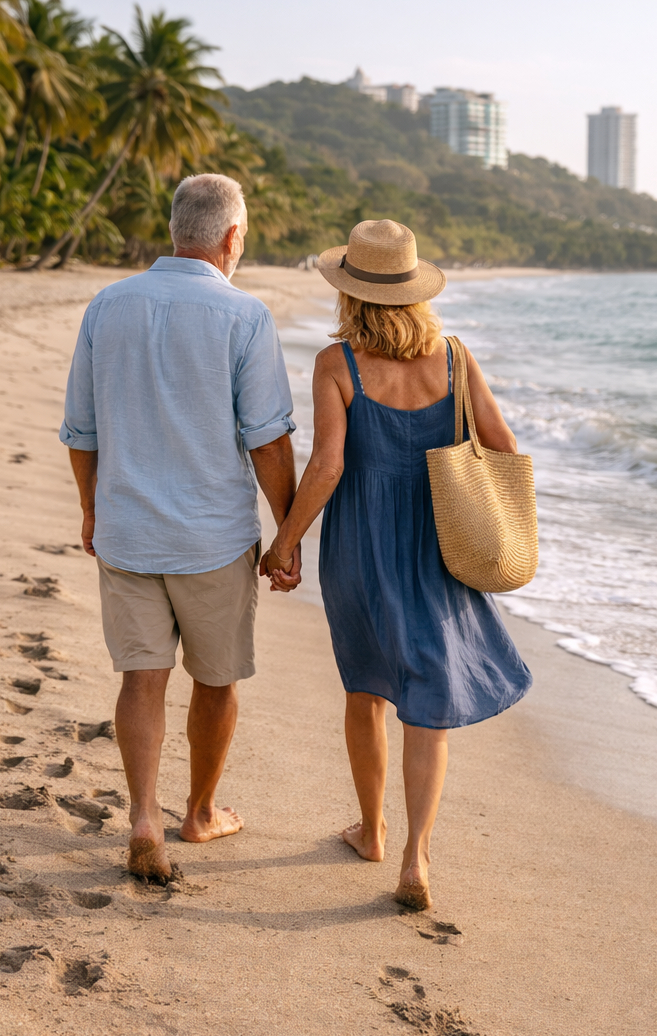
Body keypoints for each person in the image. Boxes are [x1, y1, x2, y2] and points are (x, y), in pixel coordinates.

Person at [262, 219, 532, 910]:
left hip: (361, 547)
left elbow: (326, 467)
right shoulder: (455, 358)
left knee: (366, 690)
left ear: (351, 293)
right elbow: (500, 444)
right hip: (441, 544)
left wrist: (286, 541)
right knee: (427, 704)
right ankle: (416, 857)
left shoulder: (338, 364)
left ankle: (373, 828)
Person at [60, 173, 300, 883]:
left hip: (128, 528)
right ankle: (197, 812)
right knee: (216, 679)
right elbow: (268, 441)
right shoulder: (245, 316)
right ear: (231, 238)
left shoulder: (108, 304)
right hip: (213, 538)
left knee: (142, 677)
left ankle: (142, 814)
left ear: (175, 231)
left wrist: (90, 506)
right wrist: (286, 534)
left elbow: (81, 428)